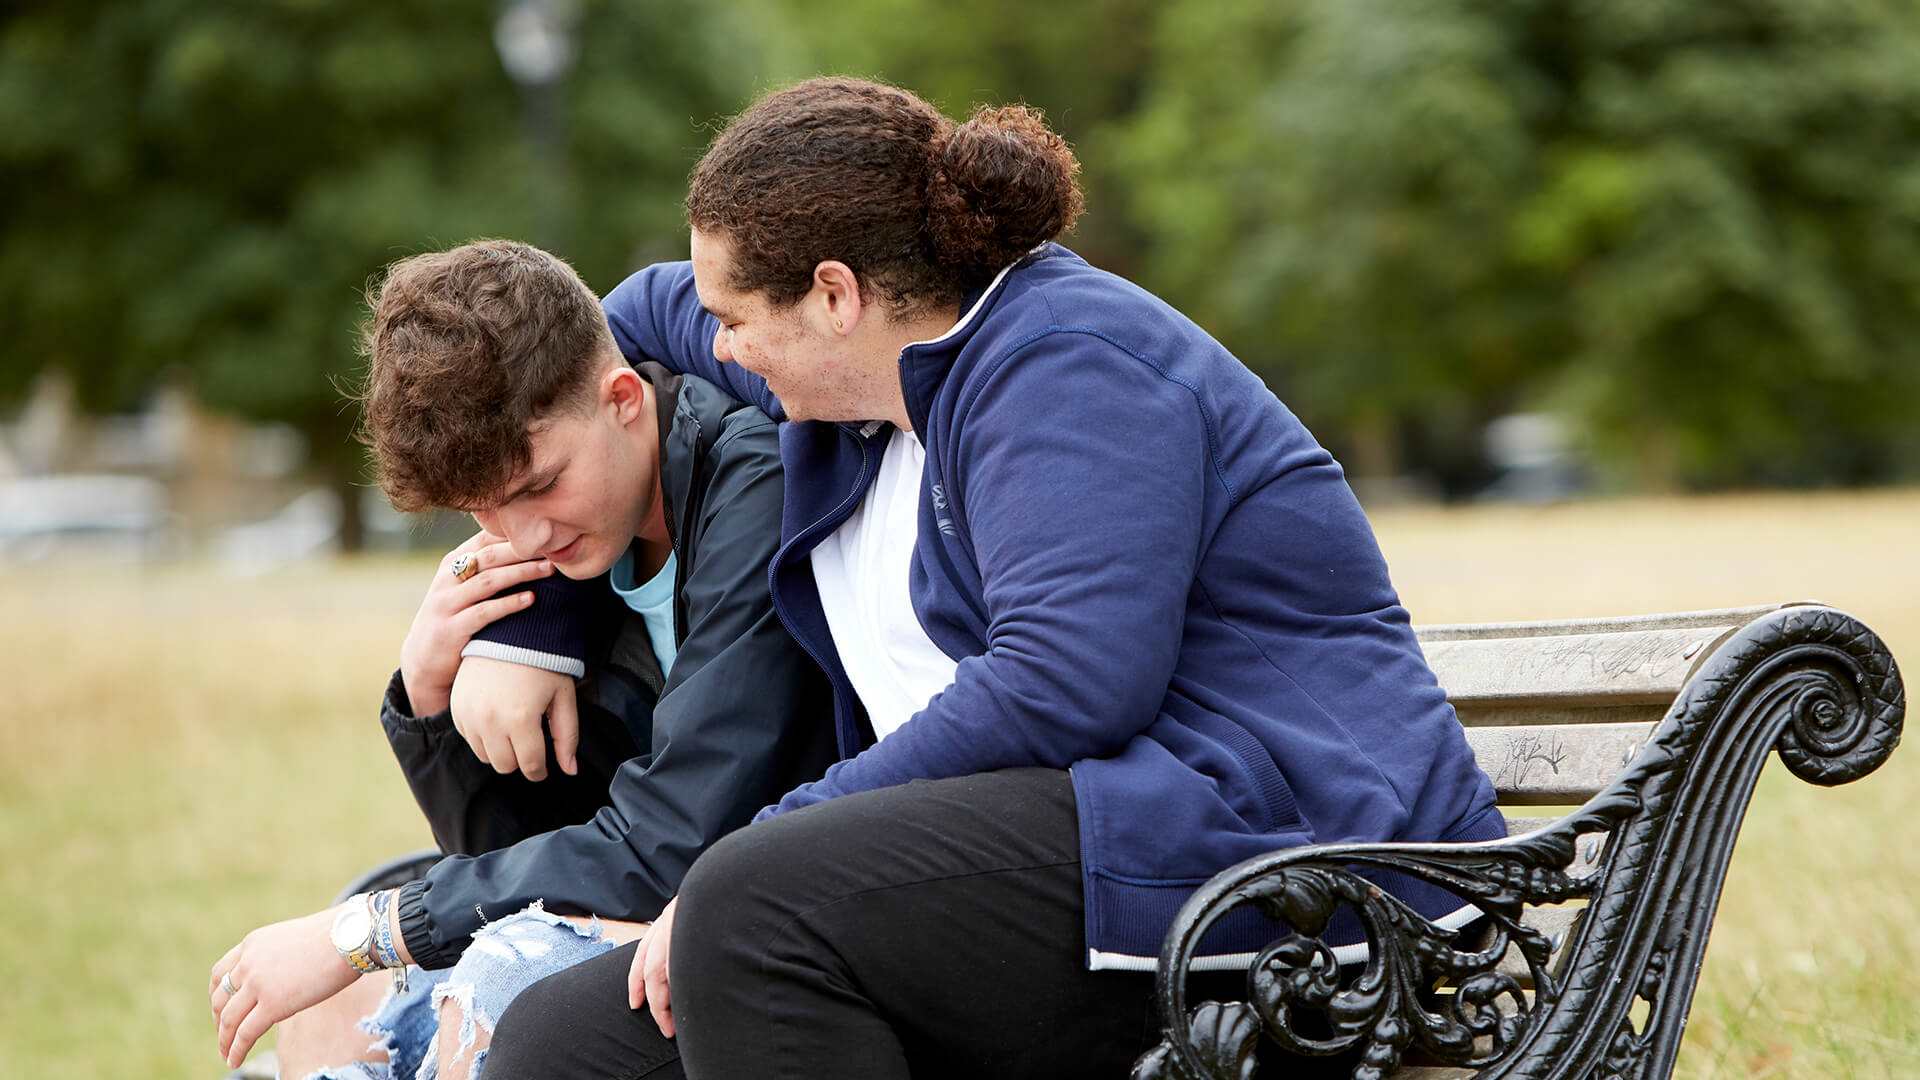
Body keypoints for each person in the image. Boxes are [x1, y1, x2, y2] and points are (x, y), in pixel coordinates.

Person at [474, 77, 1507, 1080]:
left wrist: (782, 834)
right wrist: (541, 610)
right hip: (1110, 863)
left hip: (1300, 868)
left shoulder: (1066, 364)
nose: (720, 347)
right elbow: (609, 348)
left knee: (752, 899)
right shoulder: (866, 377)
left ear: (835, 295)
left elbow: (1067, 684)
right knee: (562, 1044)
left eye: (735, 319)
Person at [206, 240, 836, 1079]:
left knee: (488, 974)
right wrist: (430, 701)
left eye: (539, 485)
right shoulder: (564, 554)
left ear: (622, 400)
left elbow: (666, 843)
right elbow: (528, 847)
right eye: (485, 509)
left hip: (768, 904)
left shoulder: (749, 482)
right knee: (336, 1000)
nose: (524, 536)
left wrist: (372, 930)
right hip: (640, 905)